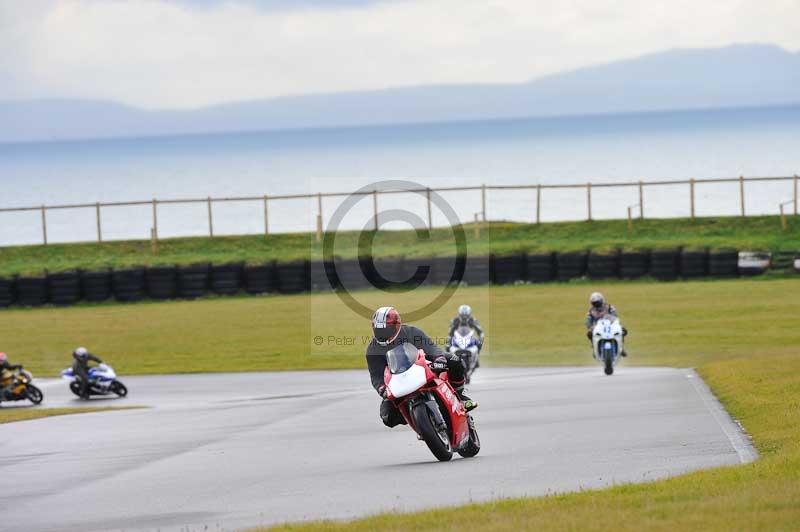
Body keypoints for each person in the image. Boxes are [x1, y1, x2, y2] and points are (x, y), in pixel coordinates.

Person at [366, 306, 477, 428]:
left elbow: (430, 347)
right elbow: (376, 375)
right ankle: (417, 418)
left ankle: (460, 395)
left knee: (453, 359)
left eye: (386, 329)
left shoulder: (412, 332)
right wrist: (382, 388)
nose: (382, 333)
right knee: (387, 417)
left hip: (422, 367)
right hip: (398, 382)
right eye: (378, 330)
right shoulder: (372, 349)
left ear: (396, 325)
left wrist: (438, 358)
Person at [585, 292, 627, 356]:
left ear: (602, 300)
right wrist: (590, 327)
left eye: (598, 302)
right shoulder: (591, 311)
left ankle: (621, 348)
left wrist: (616, 322)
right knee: (589, 333)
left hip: (611, 325)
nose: (596, 304)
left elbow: (615, 316)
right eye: (595, 303)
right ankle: (595, 348)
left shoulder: (609, 307)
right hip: (598, 327)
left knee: (623, 330)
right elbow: (588, 320)